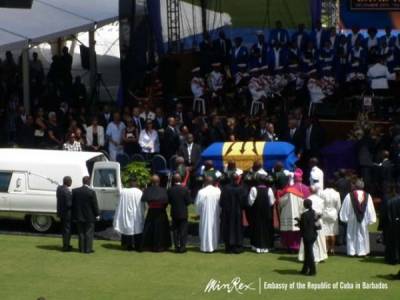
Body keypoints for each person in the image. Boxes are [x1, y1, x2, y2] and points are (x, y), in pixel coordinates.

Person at [339, 179, 377, 256]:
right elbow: (370, 209)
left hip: (352, 218)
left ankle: (352, 251)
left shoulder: (349, 196)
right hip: (363, 219)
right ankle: (362, 251)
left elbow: (345, 208)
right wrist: (370, 219)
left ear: (355, 186)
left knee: (351, 234)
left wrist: (345, 218)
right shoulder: (367, 196)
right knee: (363, 234)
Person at [113, 177, 145, 251]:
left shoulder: (124, 192)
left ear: (129, 183)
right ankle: (137, 246)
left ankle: (128, 246)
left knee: (128, 228)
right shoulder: (139, 192)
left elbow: (119, 203)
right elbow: (142, 205)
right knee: (137, 229)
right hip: (137, 214)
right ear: (136, 183)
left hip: (127, 214)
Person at [141, 175, 171, 252]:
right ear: (159, 181)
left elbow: (146, 200)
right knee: (161, 230)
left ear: (151, 182)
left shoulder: (147, 190)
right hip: (161, 212)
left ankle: (148, 246)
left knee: (149, 229)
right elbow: (166, 201)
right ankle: (161, 246)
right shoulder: (163, 190)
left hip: (151, 211)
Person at [298, 187, 328, 263]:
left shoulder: (305, 200)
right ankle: (319, 257)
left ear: (309, 191)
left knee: (308, 240)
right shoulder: (321, 200)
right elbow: (323, 212)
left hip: (307, 222)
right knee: (318, 240)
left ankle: (307, 257)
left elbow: (301, 212)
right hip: (317, 222)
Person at [219, 173, 247, 254]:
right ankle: (237, 247)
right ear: (238, 179)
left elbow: (221, 202)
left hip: (227, 213)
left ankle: (229, 247)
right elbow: (244, 203)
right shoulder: (242, 189)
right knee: (238, 229)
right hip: (238, 212)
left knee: (228, 229)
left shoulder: (225, 188)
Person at [248, 175, 276, 253]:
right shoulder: (269, 189)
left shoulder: (253, 189)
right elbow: (272, 202)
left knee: (256, 228)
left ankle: (256, 246)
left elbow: (250, 202)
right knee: (266, 229)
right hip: (266, 212)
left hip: (256, 212)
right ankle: (265, 246)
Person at [72, 176, 100, 254]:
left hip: (78, 215)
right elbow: (94, 204)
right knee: (89, 233)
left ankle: (81, 249)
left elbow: (73, 204)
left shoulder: (75, 191)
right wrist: (97, 214)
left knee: (81, 233)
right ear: (88, 182)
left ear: (83, 181)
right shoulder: (91, 192)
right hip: (89, 216)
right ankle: (88, 249)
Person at [195, 176, 221, 253]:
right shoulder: (217, 191)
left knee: (205, 229)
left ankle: (205, 247)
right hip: (215, 214)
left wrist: (198, 213)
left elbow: (197, 205)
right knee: (214, 229)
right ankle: (214, 246)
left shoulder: (201, 192)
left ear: (205, 182)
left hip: (205, 215)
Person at [296, 199, 321, 276]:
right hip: (313, 235)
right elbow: (319, 226)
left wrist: (298, 222)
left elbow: (302, 227)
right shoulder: (315, 213)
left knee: (309, 253)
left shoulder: (304, 215)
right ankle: (305, 269)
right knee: (307, 252)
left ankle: (312, 270)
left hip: (307, 236)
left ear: (304, 205)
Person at [168, 174, 192, 253]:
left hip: (174, 212)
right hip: (183, 212)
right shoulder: (185, 189)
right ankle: (182, 247)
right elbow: (188, 202)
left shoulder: (170, 190)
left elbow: (169, 201)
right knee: (183, 231)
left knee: (175, 231)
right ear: (180, 180)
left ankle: (176, 246)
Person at [277, 184, 305, 252]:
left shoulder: (286, 195)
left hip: (287, 216)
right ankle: (296, 247)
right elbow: (302, 205)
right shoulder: (299, 196)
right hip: (297, 216)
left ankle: (289, 247)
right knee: (296, 233)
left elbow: (280, 203)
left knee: (288, 233)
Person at [320, 183, 341, 254]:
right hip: (333, 213)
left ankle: (325, 249)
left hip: (324, 213)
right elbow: (338, 206)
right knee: (332, 232)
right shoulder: (336, 193)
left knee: (325, 232)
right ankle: (332, 249)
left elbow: (320, 204)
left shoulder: (322, 193)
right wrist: (336, 212)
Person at [56, 176, 73, 251]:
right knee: (67, 230)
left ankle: (66, 244)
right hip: (67, 214)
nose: (71, 182)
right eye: (70, 181)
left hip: (61, 212)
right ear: (68, 182)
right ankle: (66, 246)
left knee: (64, 230)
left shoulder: (59, 189)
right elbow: (68, 204)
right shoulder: (66, 191)